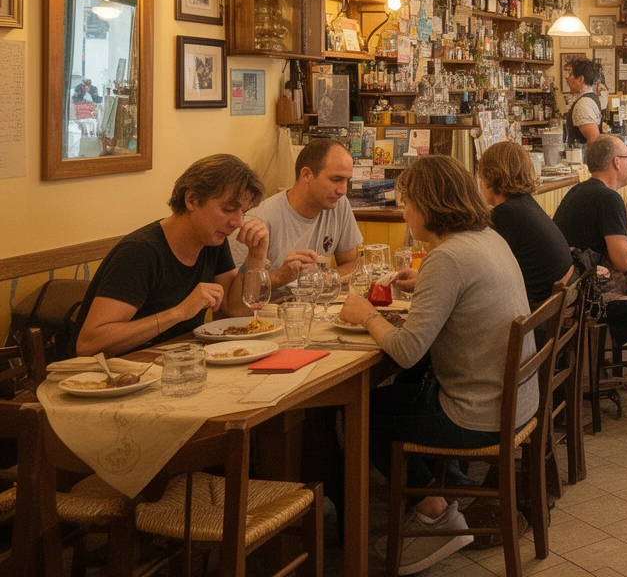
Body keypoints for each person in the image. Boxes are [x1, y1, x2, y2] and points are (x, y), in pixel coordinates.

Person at [340, 154, 534, 574]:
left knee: (363, 414)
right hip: (516, 403)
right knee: (399, 394)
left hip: (478, 414)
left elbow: (407, 350)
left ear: (428, 206)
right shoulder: (486, 237)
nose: (404, 213)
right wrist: (425, 284)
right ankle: (452, 489)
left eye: (407, 203)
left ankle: (435, 509)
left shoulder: (447, 258)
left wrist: (366, 315)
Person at [74, 154, 269, 357]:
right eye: (228, 209)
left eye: (243, 212)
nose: (237, 222)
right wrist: (178, 312)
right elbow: (88, 345)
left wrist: (256, 256)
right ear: (192, 200)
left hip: (177, 362)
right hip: (114, 370)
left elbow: (236, 310)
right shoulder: (140, 253)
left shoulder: (212, 242)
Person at [552, 135, 627, 349]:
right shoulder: (609, 198)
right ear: (616, 162)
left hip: (563, 288)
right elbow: (623, 261)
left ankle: (593, 353)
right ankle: (593, 353)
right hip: (581, 298)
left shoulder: (578, 190)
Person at [228, 138, 362, 289]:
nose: (343, 190)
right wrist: (282, 276)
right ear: (306, 175)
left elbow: (353, 263)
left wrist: (319, 279)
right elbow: (235, 289)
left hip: (315, 302)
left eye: (347, 181)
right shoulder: (256, 221)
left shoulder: (338, 204)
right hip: (271, 304)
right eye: (336, 179)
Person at [477, 141, 573, 305]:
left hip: (535, 309)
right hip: (556, 301)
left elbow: (480, 269)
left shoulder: (505, 213)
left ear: (490, 176)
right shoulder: (524, 203)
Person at [564, 57, 603, 145]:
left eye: (570, 75)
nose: (567, 79)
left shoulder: (584, 103)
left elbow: (594, 140)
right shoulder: (588, 98)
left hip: (580, 153)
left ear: (580, 79)